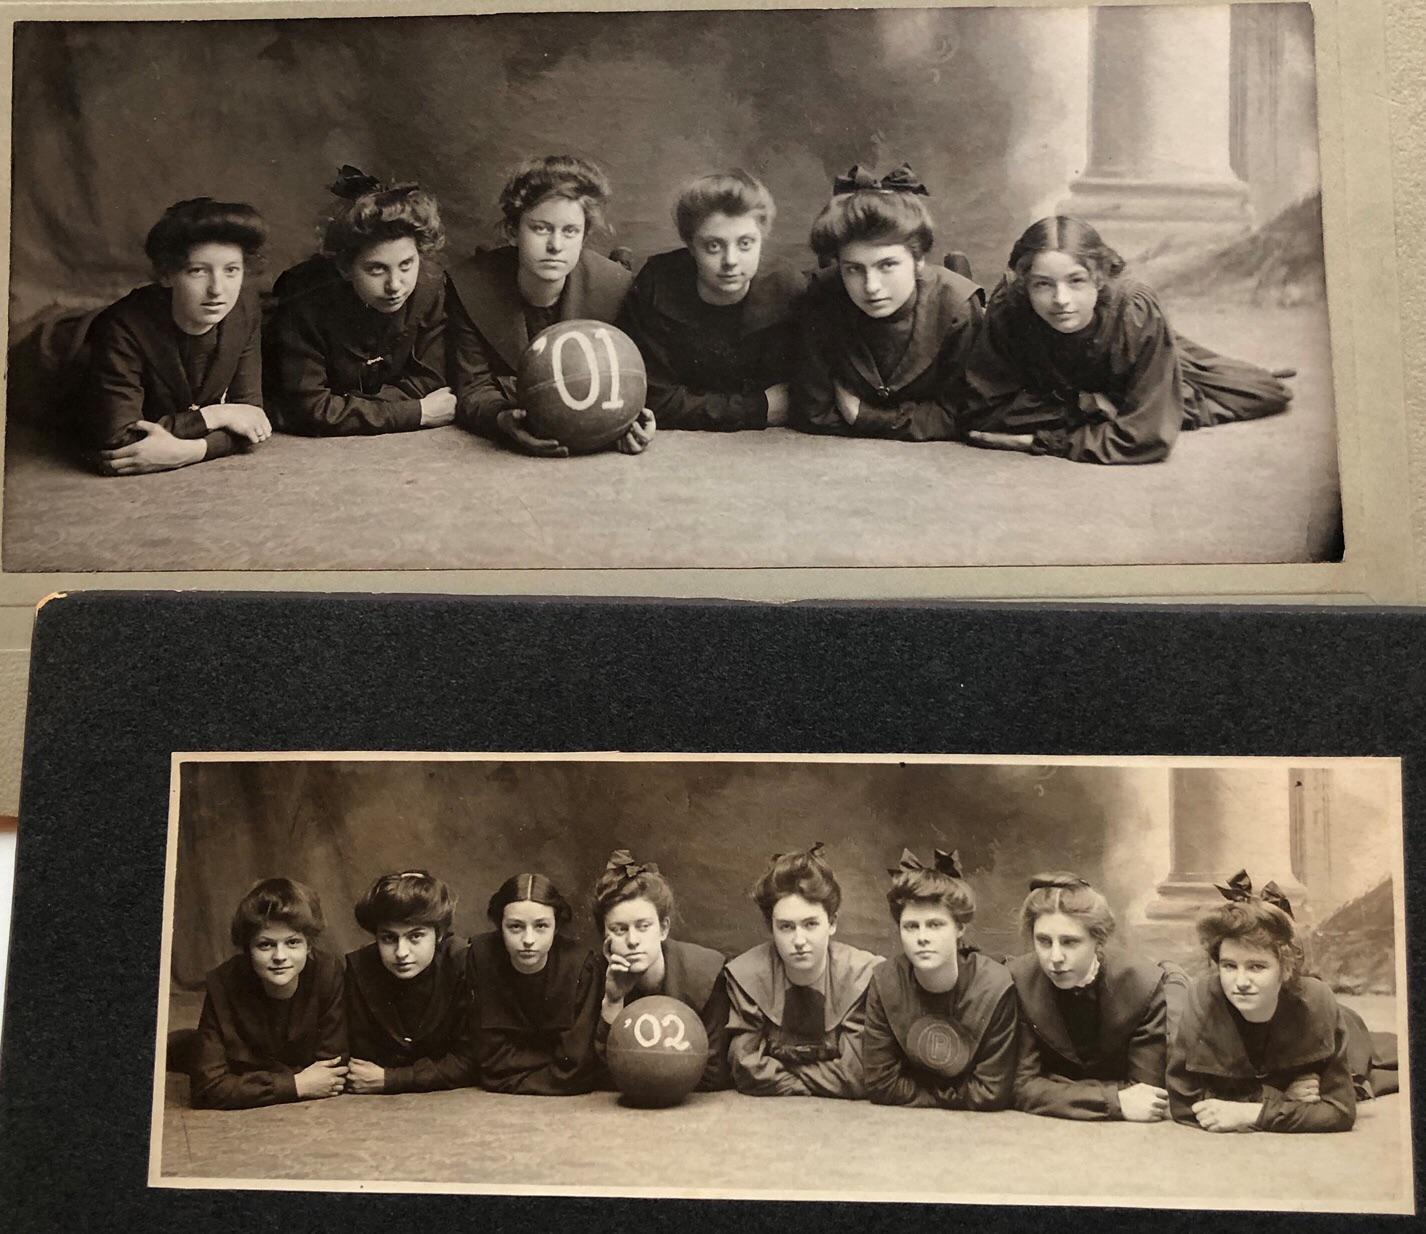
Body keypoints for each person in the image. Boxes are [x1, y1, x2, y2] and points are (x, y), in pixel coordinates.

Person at [962, 215, 1293, 463]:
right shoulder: (1010, 305)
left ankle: (1196, 375)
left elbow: (1147, 438)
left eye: (1076, 281)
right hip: (1075, 387)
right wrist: (1086, 405)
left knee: (1263, 392)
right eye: (1043, 285)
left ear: (1100, 278)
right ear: (1024, 283)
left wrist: (1043, 441)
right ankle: (1136, 395)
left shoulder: (1133, 307)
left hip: (1128, 346)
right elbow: (984, 406)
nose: (1061, 299)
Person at [447, 155, 654, 457]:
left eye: (570, 231)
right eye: (541, 228)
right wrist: (502, 420)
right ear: (514, 231)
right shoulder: (471, 286)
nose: (556, 245)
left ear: (584, 236)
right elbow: (472, 387)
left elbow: (628, 379)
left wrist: (631, 419)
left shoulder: (616, 288)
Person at [791, 164, 984, 441]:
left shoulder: (957, 308)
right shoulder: (821, 297)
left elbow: (965, 414)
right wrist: (919, 420)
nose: (871, 287)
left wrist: (866, 417)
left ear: (918, 261)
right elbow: (813, 412)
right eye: (853, 269)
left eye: (888, 265)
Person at [264, 165, 455, 436]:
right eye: (377, 269)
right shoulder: (303, 300)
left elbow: (431, 381)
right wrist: (415, 412)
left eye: (406, 264)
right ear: (345, 267)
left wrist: (345, 408)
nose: (395, 285)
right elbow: (310, 408)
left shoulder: (430, 288)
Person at [87, 197, 271, 475]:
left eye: (231, 270)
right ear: (167, 275)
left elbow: (251, 418)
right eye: (197, 271)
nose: (217, 290)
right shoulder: (120, 327)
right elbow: (118, 442)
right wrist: (216, 415)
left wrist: (190, 452)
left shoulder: (244, 310)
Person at [615, 170, 803, 432]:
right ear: (691, 246)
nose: (730, 261)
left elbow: (802, 394)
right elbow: (652, 400)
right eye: (713, 246)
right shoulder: (658, 284)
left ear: (762, 240)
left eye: (745, 243)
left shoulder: (787, 288)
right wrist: (757, 408)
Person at [1168, 871, 1356, 1132]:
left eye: (1257, 967)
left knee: (1375, 1065)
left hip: (1346, 1028)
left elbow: (1340, 1111)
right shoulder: (1202, 998)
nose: (1241, 981)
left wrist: (1251, 1113)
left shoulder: (1318, 1000)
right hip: (1276, 1082)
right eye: (1229, 966)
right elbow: (1182, 1102)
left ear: (1285, 967)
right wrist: (1277, 1099)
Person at [1009, 872, 1174, 1121]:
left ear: (1098, 939)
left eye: (1070, 942)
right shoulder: (1019, 980)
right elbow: (1021, 1087)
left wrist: (1052, 1087)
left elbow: (1146, 1096)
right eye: (1043, 941)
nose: (1055, 958)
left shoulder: (1143, 985)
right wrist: (1112, 1099)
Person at [862, 848, 1018, 1110]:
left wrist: (921, 1095)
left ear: (960, 928)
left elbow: (991, 1092)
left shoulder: (994, 985)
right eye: (911, 926)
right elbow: (881, 1084)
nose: (922, 937)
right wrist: (956, 1096)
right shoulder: (885, 981)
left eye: (935, 925)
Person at [725, 843, 881, 1098]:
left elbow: (856, 1073)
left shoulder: (860, 975)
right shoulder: (748, 975)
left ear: (832, 923)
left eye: (810, 924)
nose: (799, 940)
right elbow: (745, 1068)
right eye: (786, 927)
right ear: (770, 927)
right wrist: (822, 1081)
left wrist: (782, 1079)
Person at [188, 878, 347, 1109]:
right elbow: (206, 1088)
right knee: (185, 1050)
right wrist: (295, 1084)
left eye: (292, 942)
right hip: (215, 1050)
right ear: (248, 949)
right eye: (265, 945)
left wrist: (245, 1081)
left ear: (309, 946)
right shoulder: (223, 982)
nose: (279, 956)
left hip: (248, 1070)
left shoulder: (328, 972)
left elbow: (332, 1070)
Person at [592, 849, 730, 1090]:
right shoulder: (599, 975)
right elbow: (602, 1074)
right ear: (605, 935)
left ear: (663, 929)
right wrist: (613, 1001)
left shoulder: (705, 972)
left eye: (643, 926)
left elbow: (714, 1073)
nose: (633, 940)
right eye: (619, 929)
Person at [466, 872, 603, 1095]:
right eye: (516, 927)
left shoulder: (580, 965)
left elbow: (575, 1066)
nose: (528, 940)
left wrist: (507, 1079)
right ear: (500, 926)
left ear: (556, 927)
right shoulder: (480, 956)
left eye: (541, 926)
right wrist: (553, 1066)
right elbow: (489, 1060)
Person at [344, 870, 475, 1094]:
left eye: (415, 936)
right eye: (388, 938)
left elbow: (471, 1059)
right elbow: (359, 1064)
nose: (401, 952)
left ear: (439, 934)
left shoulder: (462, 962)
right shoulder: (360, 968)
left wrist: (394, 1078)